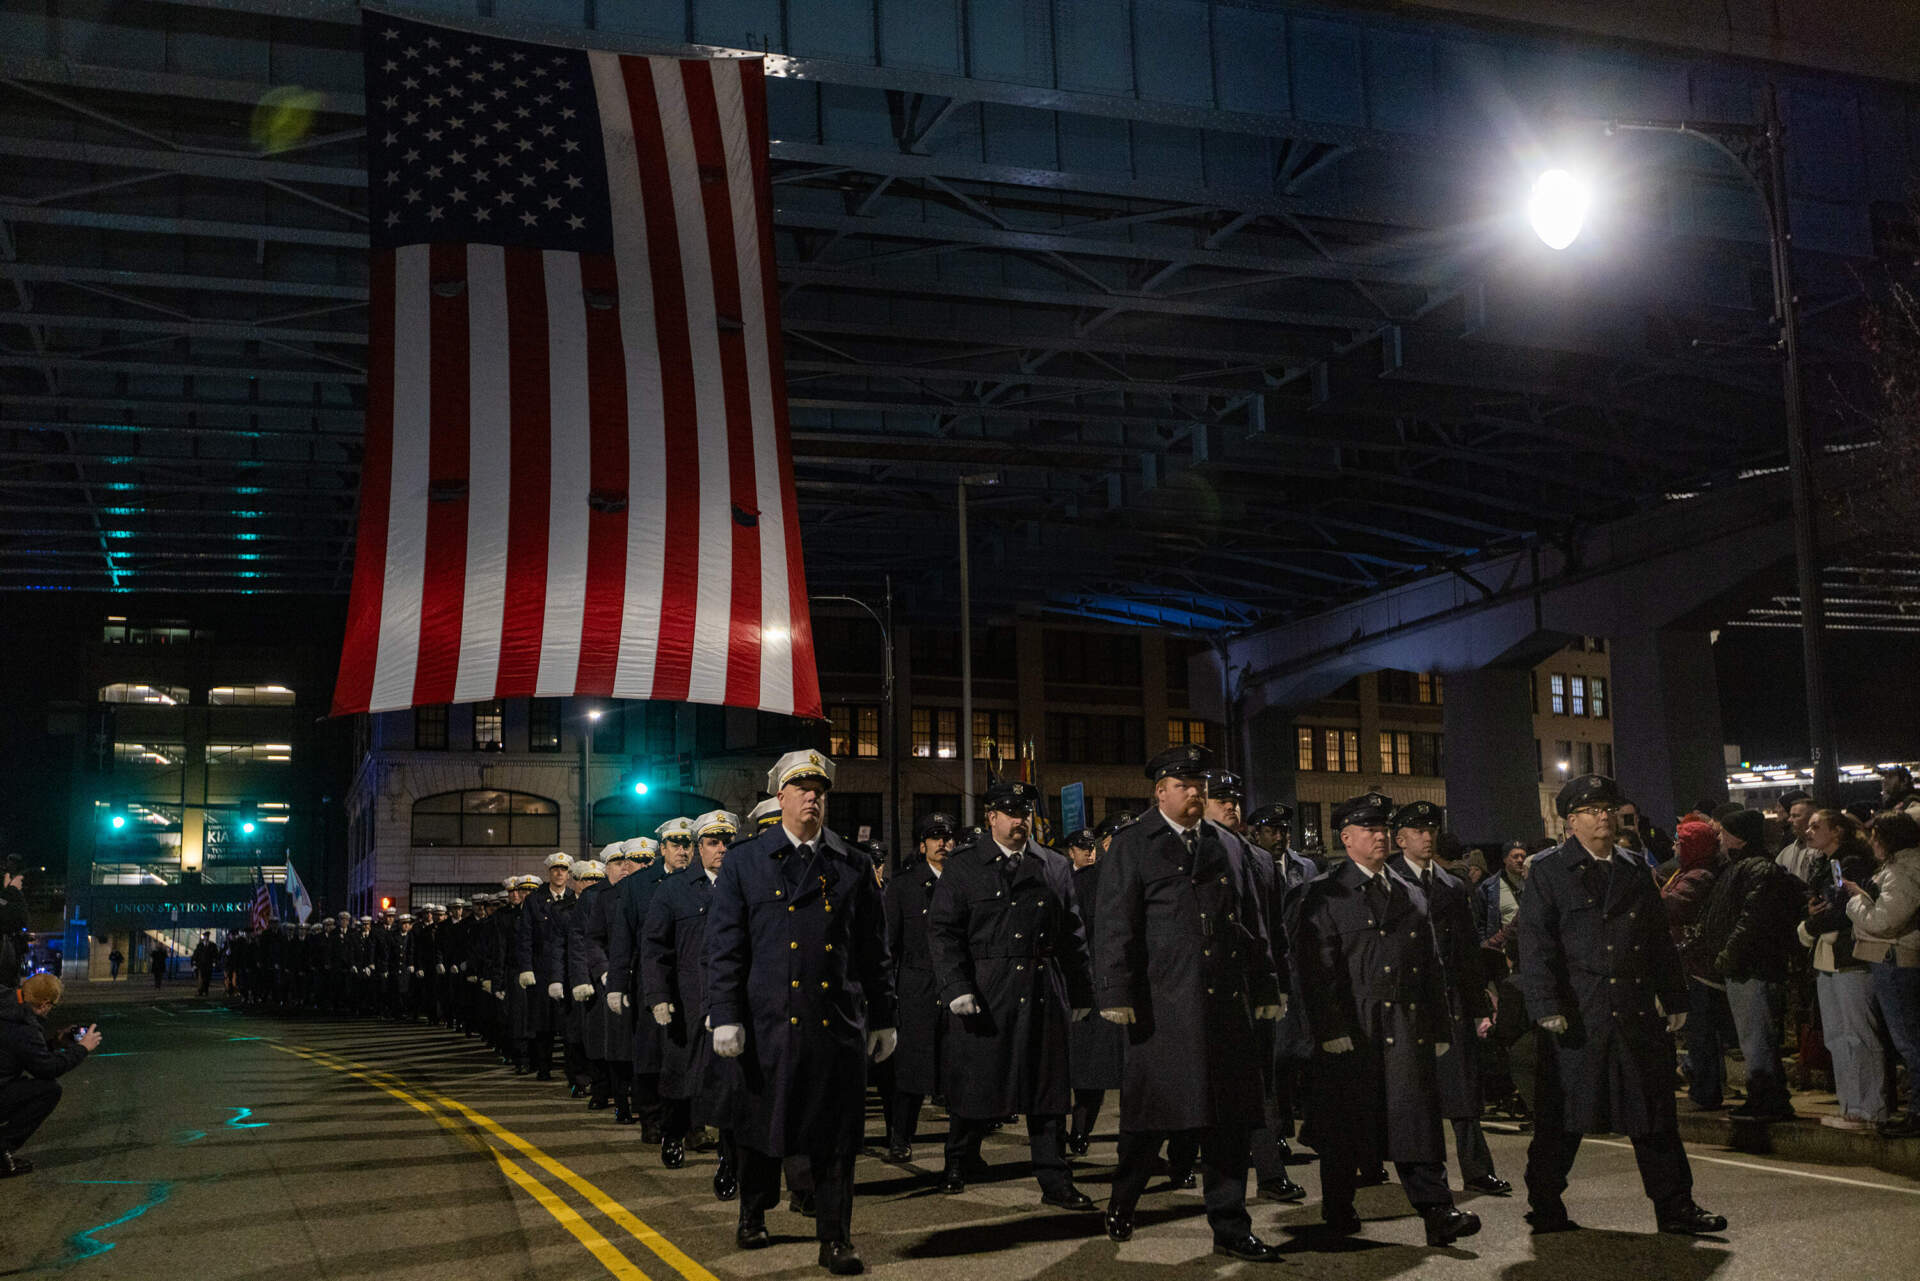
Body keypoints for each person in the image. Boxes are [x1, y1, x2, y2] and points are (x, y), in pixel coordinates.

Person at [1095, 743, 1287, 1262]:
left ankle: (1231, 1227)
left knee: (1228, 1121)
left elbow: (1251, 923)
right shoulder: (1133, 844)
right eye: (1184, 785)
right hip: (1163, 1005)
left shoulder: (1227, 845)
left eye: (1199, 785)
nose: (1195, 793)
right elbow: (1115, 924)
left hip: (1224, 1005)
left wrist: (1267, 985)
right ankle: (1124, 1199)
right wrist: (1115, 991)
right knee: (1151, 1118)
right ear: (1160, 791)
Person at [707, 750, 896, 1275]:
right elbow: (725, 945)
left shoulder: (852, 864)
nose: (812, 796)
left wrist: (883, 1016)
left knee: (836, 1137)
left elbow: (873, 951)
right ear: (780, 797)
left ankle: (835, 1237)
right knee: (760, 1129)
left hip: (833, 1023)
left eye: (819, 789)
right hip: (765, 1022)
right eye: (801, 787)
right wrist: (724, 1012)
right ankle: (753, 1212)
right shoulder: (746, 861)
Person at [1517, 773, 1725, 1236]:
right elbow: (1535, 944)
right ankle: (1545, 1201)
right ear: (1571, 821)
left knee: (1653, 1115)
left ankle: (1676, 1207)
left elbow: (1657, 940)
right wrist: (1546, 1003)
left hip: (1632, 1008)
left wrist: (1673, 995)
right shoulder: (1550, 872)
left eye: (1609, 809)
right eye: (1592, 811)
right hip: (1579, 1010)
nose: (1604, 817)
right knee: (1563, 1118)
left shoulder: (1634, 868)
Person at [1294, 792, 1480, 1247]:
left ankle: (1437, 1212)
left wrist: (1438, 1027)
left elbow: (1431, 966)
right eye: (1370, 830)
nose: (1380, 837)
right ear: (1347, 837)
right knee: (1345, 1127)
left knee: (1415, 1121)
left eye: (1383, 829)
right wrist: (1330, 1029)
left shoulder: (1409, 891)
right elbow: (1313, 971)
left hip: (1406, 1025)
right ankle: (1338, 1209)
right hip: (1355, 1025)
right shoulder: (1323, 893)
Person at [927, 780, 1095, 1211]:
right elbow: (944, 933)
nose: (1020, 822)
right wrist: (956, 987)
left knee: (1048, 1088)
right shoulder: (964, 866)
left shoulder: (1053, 865)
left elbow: (1072, 933)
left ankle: (1055, 1178)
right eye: (1011, 813)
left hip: (1042, 984)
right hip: (987, 985)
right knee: (976, 1079)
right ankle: (958, 1160)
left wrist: (1081, 991)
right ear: (992, 817)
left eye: (1025, 814)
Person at [1390, 801, 1510, 1197]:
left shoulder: (1451, 886)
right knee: (1404, 1091)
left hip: (1448, 998)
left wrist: (1478, 1006)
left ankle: (1477, 1169)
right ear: (1400, 838)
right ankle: (1386, 1166)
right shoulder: (1386, 880)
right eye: (1418, 831)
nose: (1427, 838)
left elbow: (1466, 953)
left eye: (1431, 831)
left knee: (1462, 1089)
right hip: (1405, 1001)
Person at [1206, 776, 1306, 1205]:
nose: (1232, 806)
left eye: (1235, 800)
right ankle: (1176, 1161)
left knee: (1260, 1084)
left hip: (1251, 986)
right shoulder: (1195, 852)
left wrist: (1278, 985)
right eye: (1222, 799)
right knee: (1201, 1084)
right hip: (1207, 987)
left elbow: (1274, 932)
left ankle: (1269, 1172)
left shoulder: (1260, 860)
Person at [643, 813, 739, 1197]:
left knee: (731, 1084)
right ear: (698, 847)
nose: (721, 849)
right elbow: (655, 947)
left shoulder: (743, 885)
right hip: (686, 1000)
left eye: (726, 842)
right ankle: (672, 1133)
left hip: (730, 1001)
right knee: (680, 1079)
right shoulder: (675, 889)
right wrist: (659, 996)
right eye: (713, 842)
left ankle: (729, 1161)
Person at [1698, 809, 1802, 1121]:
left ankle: (1767, 1100)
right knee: (1752, 1037)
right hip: (1745, 966)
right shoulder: (1740, 867)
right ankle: (1767, 1097)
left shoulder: (1755, 870)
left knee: (1757, 1037)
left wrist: (1726, 957)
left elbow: (1751, 921)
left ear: (1740, 837)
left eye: (1725, 832)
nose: (1720, 838)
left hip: (1751, 967)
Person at [1797, 810, 1884, 1130]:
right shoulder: (1828, 864)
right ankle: (1852, 1106)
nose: (1808, 831)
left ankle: (1869, 1108)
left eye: (1816, 826)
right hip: (1830, 959)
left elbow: (1842, 911)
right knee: (1837, 1036)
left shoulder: (1849, 865)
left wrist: (1808, 925)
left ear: (1836, 832)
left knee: (1856, 1035)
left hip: (1849, 958)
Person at [881, 812, 955, 1162]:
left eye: (948, 837)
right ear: (922, 844)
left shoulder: (963, 881)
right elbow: (888, 944)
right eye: (935, 837)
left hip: (954, 984)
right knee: (910, 1069)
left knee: (958, 1068)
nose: (943, 844)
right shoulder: (903, 886)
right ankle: (900, 1136)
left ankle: (961, 1146)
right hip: (915, 985)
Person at [1842, 810, 1920, 1138]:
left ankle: (1917, 1113)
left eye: (1876, 836)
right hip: (1895, 957)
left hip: (1895, 958)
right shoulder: (1899, 868)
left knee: (1909, 1042)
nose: (1872, 842)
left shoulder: (1904, 871)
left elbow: (1885, 920)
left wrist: (1855, 901)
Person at [1660, 820, 1737, 1111]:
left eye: (1680, 842)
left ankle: (1706, 1091)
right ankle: (1704, 1088)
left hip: (1698, 965)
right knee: (1700, 1033)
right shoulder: (1690, 871)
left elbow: (1673, 906)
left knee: (1702, 1032)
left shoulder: (1700, 875)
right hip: (1693, 962)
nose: (1675, 848)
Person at [1062, 825, 1124, 1158]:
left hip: (1136, 990)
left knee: (1138, 1077)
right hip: (1095, 989)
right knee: (1090, 1072)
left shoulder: (1142, 877)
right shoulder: (1082, 882)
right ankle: (1079, 1132)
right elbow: (1073, 940)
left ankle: (1137, 1143)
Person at [2, 974, 102, 1176]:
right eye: (52, 1006)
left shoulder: (6, 1004)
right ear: (45, 1004)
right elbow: (47, 1069)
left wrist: (53, 1043)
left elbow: (18, 1053)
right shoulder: (23, 1026)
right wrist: (82, 1048)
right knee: (48, 1090)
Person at [516, 852, 575, 1083]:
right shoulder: (534, 900)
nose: (559, 873)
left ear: (569, 874)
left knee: (569, 1023)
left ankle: (572, 1071)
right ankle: (543, 1067)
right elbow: (525, 937)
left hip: (568, 968)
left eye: (563, 869)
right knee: (544, 1023)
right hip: (541, 969)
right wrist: (526, 967)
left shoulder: (574, 898)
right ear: (548, 873)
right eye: (555, 869)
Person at [1475, 841, 1530, 941]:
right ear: (1505, 859)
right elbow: (1480, 922)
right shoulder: (1489, 886)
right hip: (1503, 944)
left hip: (1529, 942)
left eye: (1523, 856)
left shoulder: (1532, 883)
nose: (1520, 860)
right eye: (1515, 856)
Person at [1774, 791, 1817, 882]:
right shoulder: (1786, 853)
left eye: (1795, 816)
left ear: (1812, 819)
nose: (1790, 820)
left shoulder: (1823, 852)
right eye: (1790, 815)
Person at [192, 931, 218, 996]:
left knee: (207, 978)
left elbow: (215, 955)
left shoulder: (212, 945)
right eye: (205, 936)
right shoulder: (200, 945)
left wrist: (214, 962)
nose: (206, 938)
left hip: (209, 964)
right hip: (201, 964)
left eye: (207, 936)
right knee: (200, 978)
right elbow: (196, 955)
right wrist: (194, 963)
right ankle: (200, 991)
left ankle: (206, 991)